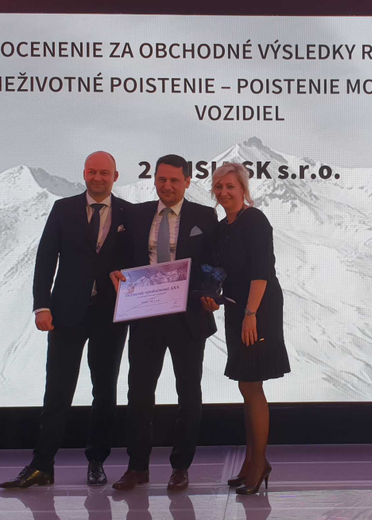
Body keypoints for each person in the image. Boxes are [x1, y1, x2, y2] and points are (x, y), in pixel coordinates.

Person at [0, 151, 131, 489]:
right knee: (57, 391)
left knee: (105, 392)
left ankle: (97, 461)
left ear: (115, 176)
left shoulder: (129, 213)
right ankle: (42, 465)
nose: (98, 178)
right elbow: (46, 259)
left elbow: (135, 261)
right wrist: (41, 306)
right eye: (92, 172)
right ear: (84, 174)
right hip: (65, 314)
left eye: (104, 172)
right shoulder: (63, 209)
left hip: (111, 315)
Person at [109, 154, 219, 491]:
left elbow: (214, 262)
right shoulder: (137, 214)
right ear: (154, 180)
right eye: (161, 179)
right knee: (139, 393)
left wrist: (211, 292)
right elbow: (121, 256)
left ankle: (180, 467)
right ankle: (137, 467)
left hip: (189, 318)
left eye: (174, 180)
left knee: (189, 393)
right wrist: (116, 272)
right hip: (145, 316)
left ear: (187, 181)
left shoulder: (205, 216)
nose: (167, 186)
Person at [205, 162, 290, 495]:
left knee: (252, 385)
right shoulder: (222, 227)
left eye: (231, 186)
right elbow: (216, 272)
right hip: (236, 309)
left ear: (243, 189)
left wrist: (251, 313)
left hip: (258, 309)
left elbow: (261, 270)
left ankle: (259, 464)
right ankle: (252, 460)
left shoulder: (254, 219)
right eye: (219, 187)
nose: (224, 192)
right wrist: (209, 296)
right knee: (246, 385)